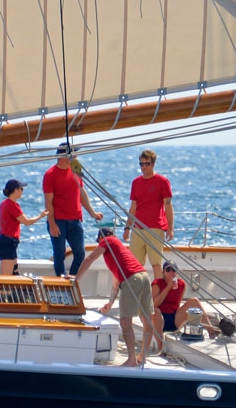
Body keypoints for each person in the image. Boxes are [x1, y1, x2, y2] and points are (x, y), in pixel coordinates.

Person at [76, 224, 155, 365]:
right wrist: (110, 303)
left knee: (125, 321)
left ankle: (131, 359)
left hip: (132, 279)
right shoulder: (119, 250)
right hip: (143, 277)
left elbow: (89, 259)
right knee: (146, 320)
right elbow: (116, 282)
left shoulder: (107, 241)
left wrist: (76, 279)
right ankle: (142, 357)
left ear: (101, 238)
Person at [43, 142, 102, 277]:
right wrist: (52, 224)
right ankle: (61, 283)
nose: (76, 156)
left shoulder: (75, 170)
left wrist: (92, 212)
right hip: (58, 221)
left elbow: (81, 193)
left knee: (80, 253)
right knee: (59, 254)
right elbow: (48, 202)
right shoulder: (50, 174)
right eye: (74, 153)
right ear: (65, 155)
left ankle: (71, 281)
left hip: (75, 220)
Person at [127, 148, 174, 279]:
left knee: (156, 264)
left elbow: (168, 205)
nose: (144, 167)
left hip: (155, 228)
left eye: (147, 164)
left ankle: (157, 290)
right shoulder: (136, 182)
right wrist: (127, 227)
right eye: (141, 164)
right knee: (134, 265)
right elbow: (133, 206)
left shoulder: (162, 181)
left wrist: (170, 228)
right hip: (137, 228)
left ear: (153, 164)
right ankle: (138, 289)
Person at [151, 262, 211, 341]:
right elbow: (154, 304)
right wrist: (168, 287)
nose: (171, 272)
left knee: (194, 301)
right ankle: (160, 343)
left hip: (175, 319)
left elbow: (177, 304)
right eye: (168, 269)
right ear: (163, 272)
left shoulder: (181, 284)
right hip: (160, 319)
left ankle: (212, 331)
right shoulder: (157, 283)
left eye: (173, 269)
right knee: (156, 311)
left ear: (176, 272)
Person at [0, 178, 44, 275]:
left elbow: (0, 223)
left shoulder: (3, 204)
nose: (22, 191)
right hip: (8, 244)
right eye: (21, 189)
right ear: (16, 190)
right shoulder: (12, 205)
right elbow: (27, 222)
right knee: (6, 278)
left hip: (6, 242)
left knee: (14, 274)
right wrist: (41, 216)